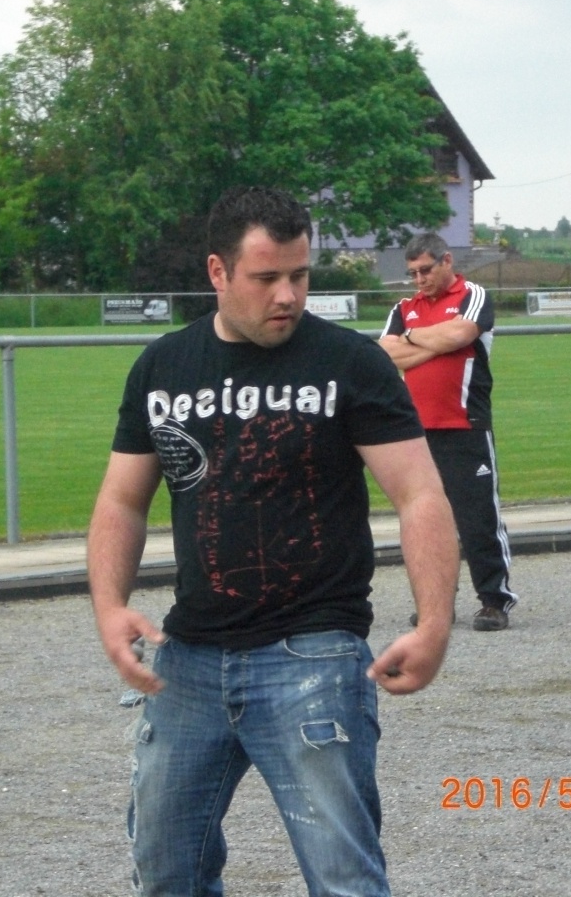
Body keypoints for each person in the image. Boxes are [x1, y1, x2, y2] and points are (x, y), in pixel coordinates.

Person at [87, 186, 460, 897]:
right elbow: (121, 501)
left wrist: (435, 622)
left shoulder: (350, 362)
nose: (287, 295)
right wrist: (109, 606)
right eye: (266, 278)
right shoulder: (164, 367)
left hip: (313, 656)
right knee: (166, 871)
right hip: (188, 660)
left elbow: (420, 495)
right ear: (217, 272)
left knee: (344, 878)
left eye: (299, 275)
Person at [378, 232, 519, 632]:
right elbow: (386, 352)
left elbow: (460, 334)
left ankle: (494, 601)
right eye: (412, 273)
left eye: (425, 270)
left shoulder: (472, 295)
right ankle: (437, 605)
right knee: (428, 522)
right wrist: (433, 342)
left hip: (465, 426)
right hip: (416, 433)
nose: (419, 279)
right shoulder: (404, 308)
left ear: (446, 262)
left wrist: (414, 338)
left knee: (478, 519)